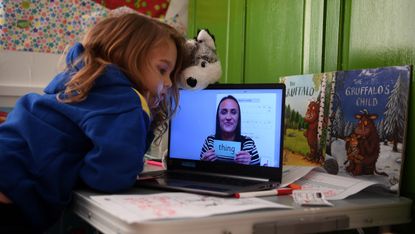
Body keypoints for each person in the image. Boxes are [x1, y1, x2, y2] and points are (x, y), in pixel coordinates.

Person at [0, 13, 187, 232]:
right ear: (126, 56)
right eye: (162, 70)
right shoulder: (128, 100)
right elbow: (110, 176)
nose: (167, 82)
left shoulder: (75, 83)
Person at [200, 95, 260, 165]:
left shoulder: (248, 143)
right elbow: (199, 173)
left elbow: (258, 174)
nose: (228, 117)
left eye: (233, 112)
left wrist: (250, 165)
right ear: (218, 117)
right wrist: (203, 163)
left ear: (238, 117)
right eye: (224, 112)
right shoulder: (210, 141)